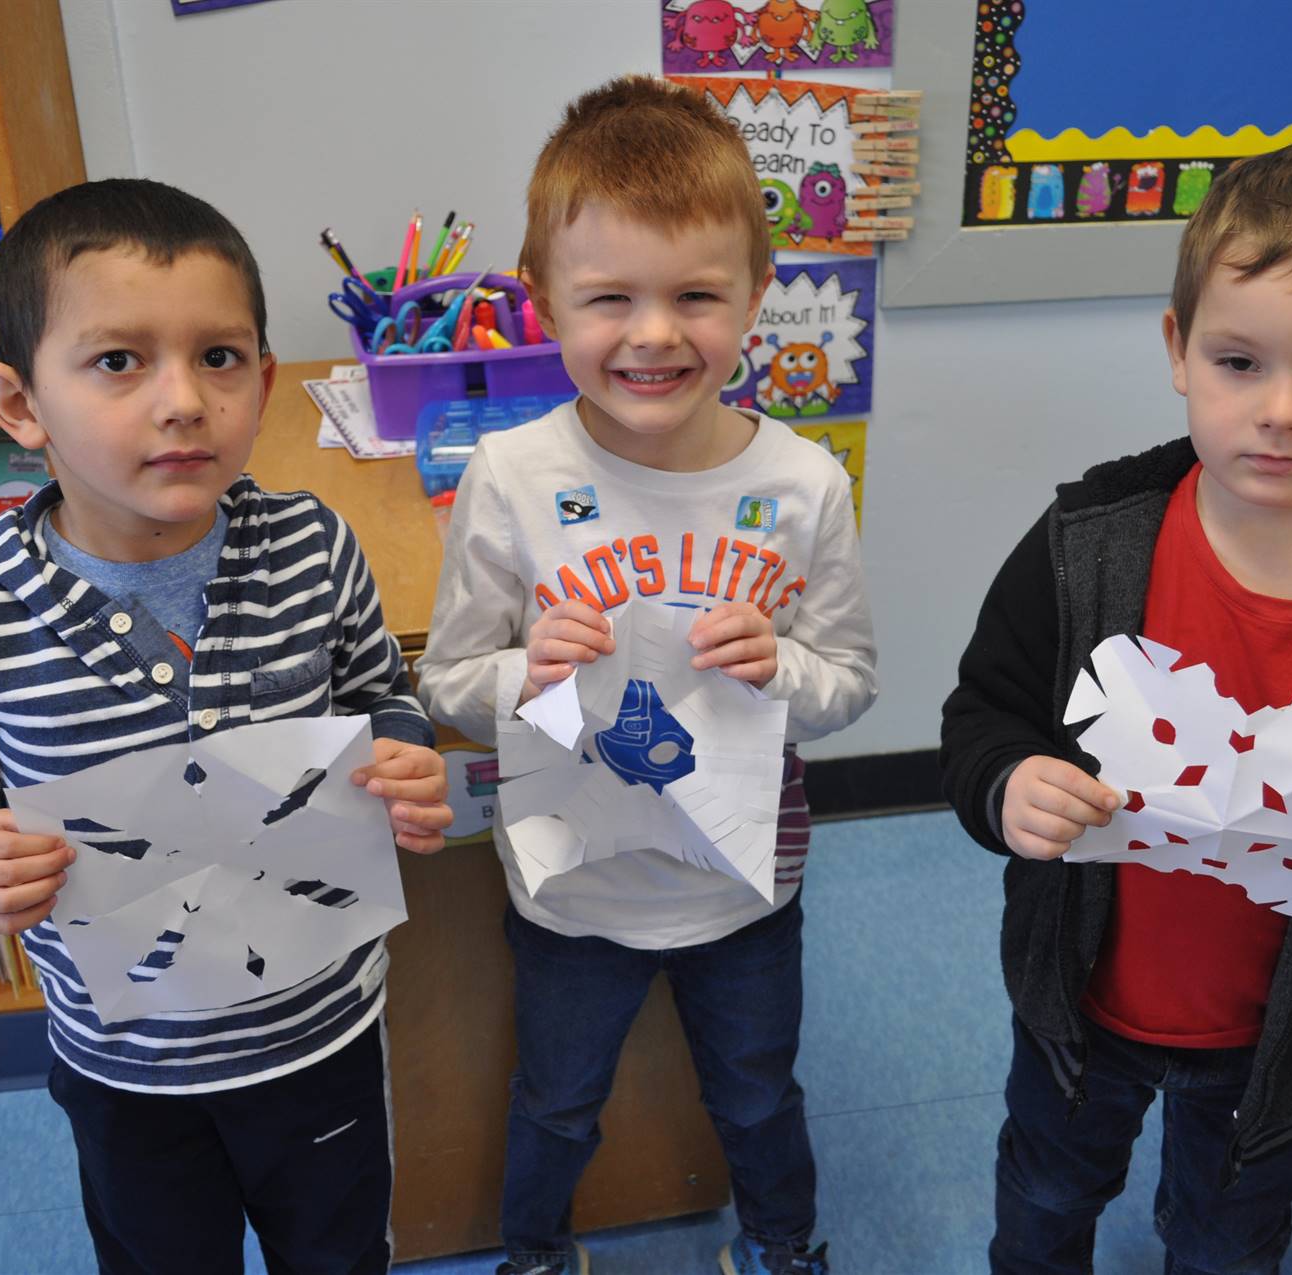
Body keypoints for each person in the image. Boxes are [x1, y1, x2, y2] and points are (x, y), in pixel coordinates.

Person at [0, 177, 453, 1275]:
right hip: (126, 1068)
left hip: (321, 1036)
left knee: (344, 1254)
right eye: (119, 361)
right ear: (20, 403)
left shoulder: (314, 546)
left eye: (219, 358)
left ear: (264, 380)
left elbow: (377, 693)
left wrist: (402, 753)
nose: (182, 400)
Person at [939, 140, 1292, 1275]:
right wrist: (1008, 785)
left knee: (1224, 1245)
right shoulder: (1084, 552)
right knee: (1049, 1198)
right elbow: (982, 722)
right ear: (1179, 352)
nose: (1283, 411)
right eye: (1241, 361)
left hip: (1282, 1041)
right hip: (1080, 1007)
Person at [416, 75, 878, 1275]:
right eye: (609, 297)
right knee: (558, 1101)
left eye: (696, 296)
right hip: (571, 889)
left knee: (761, 1098)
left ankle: (784, 1246)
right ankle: (534, 1251)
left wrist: (783, 671)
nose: (655, 334)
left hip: (746, 882)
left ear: (757, 296)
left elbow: (852, 683)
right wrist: (524, 672)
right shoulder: (510, 479)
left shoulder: (805, 487)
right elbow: (448, 683)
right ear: (543, 303)